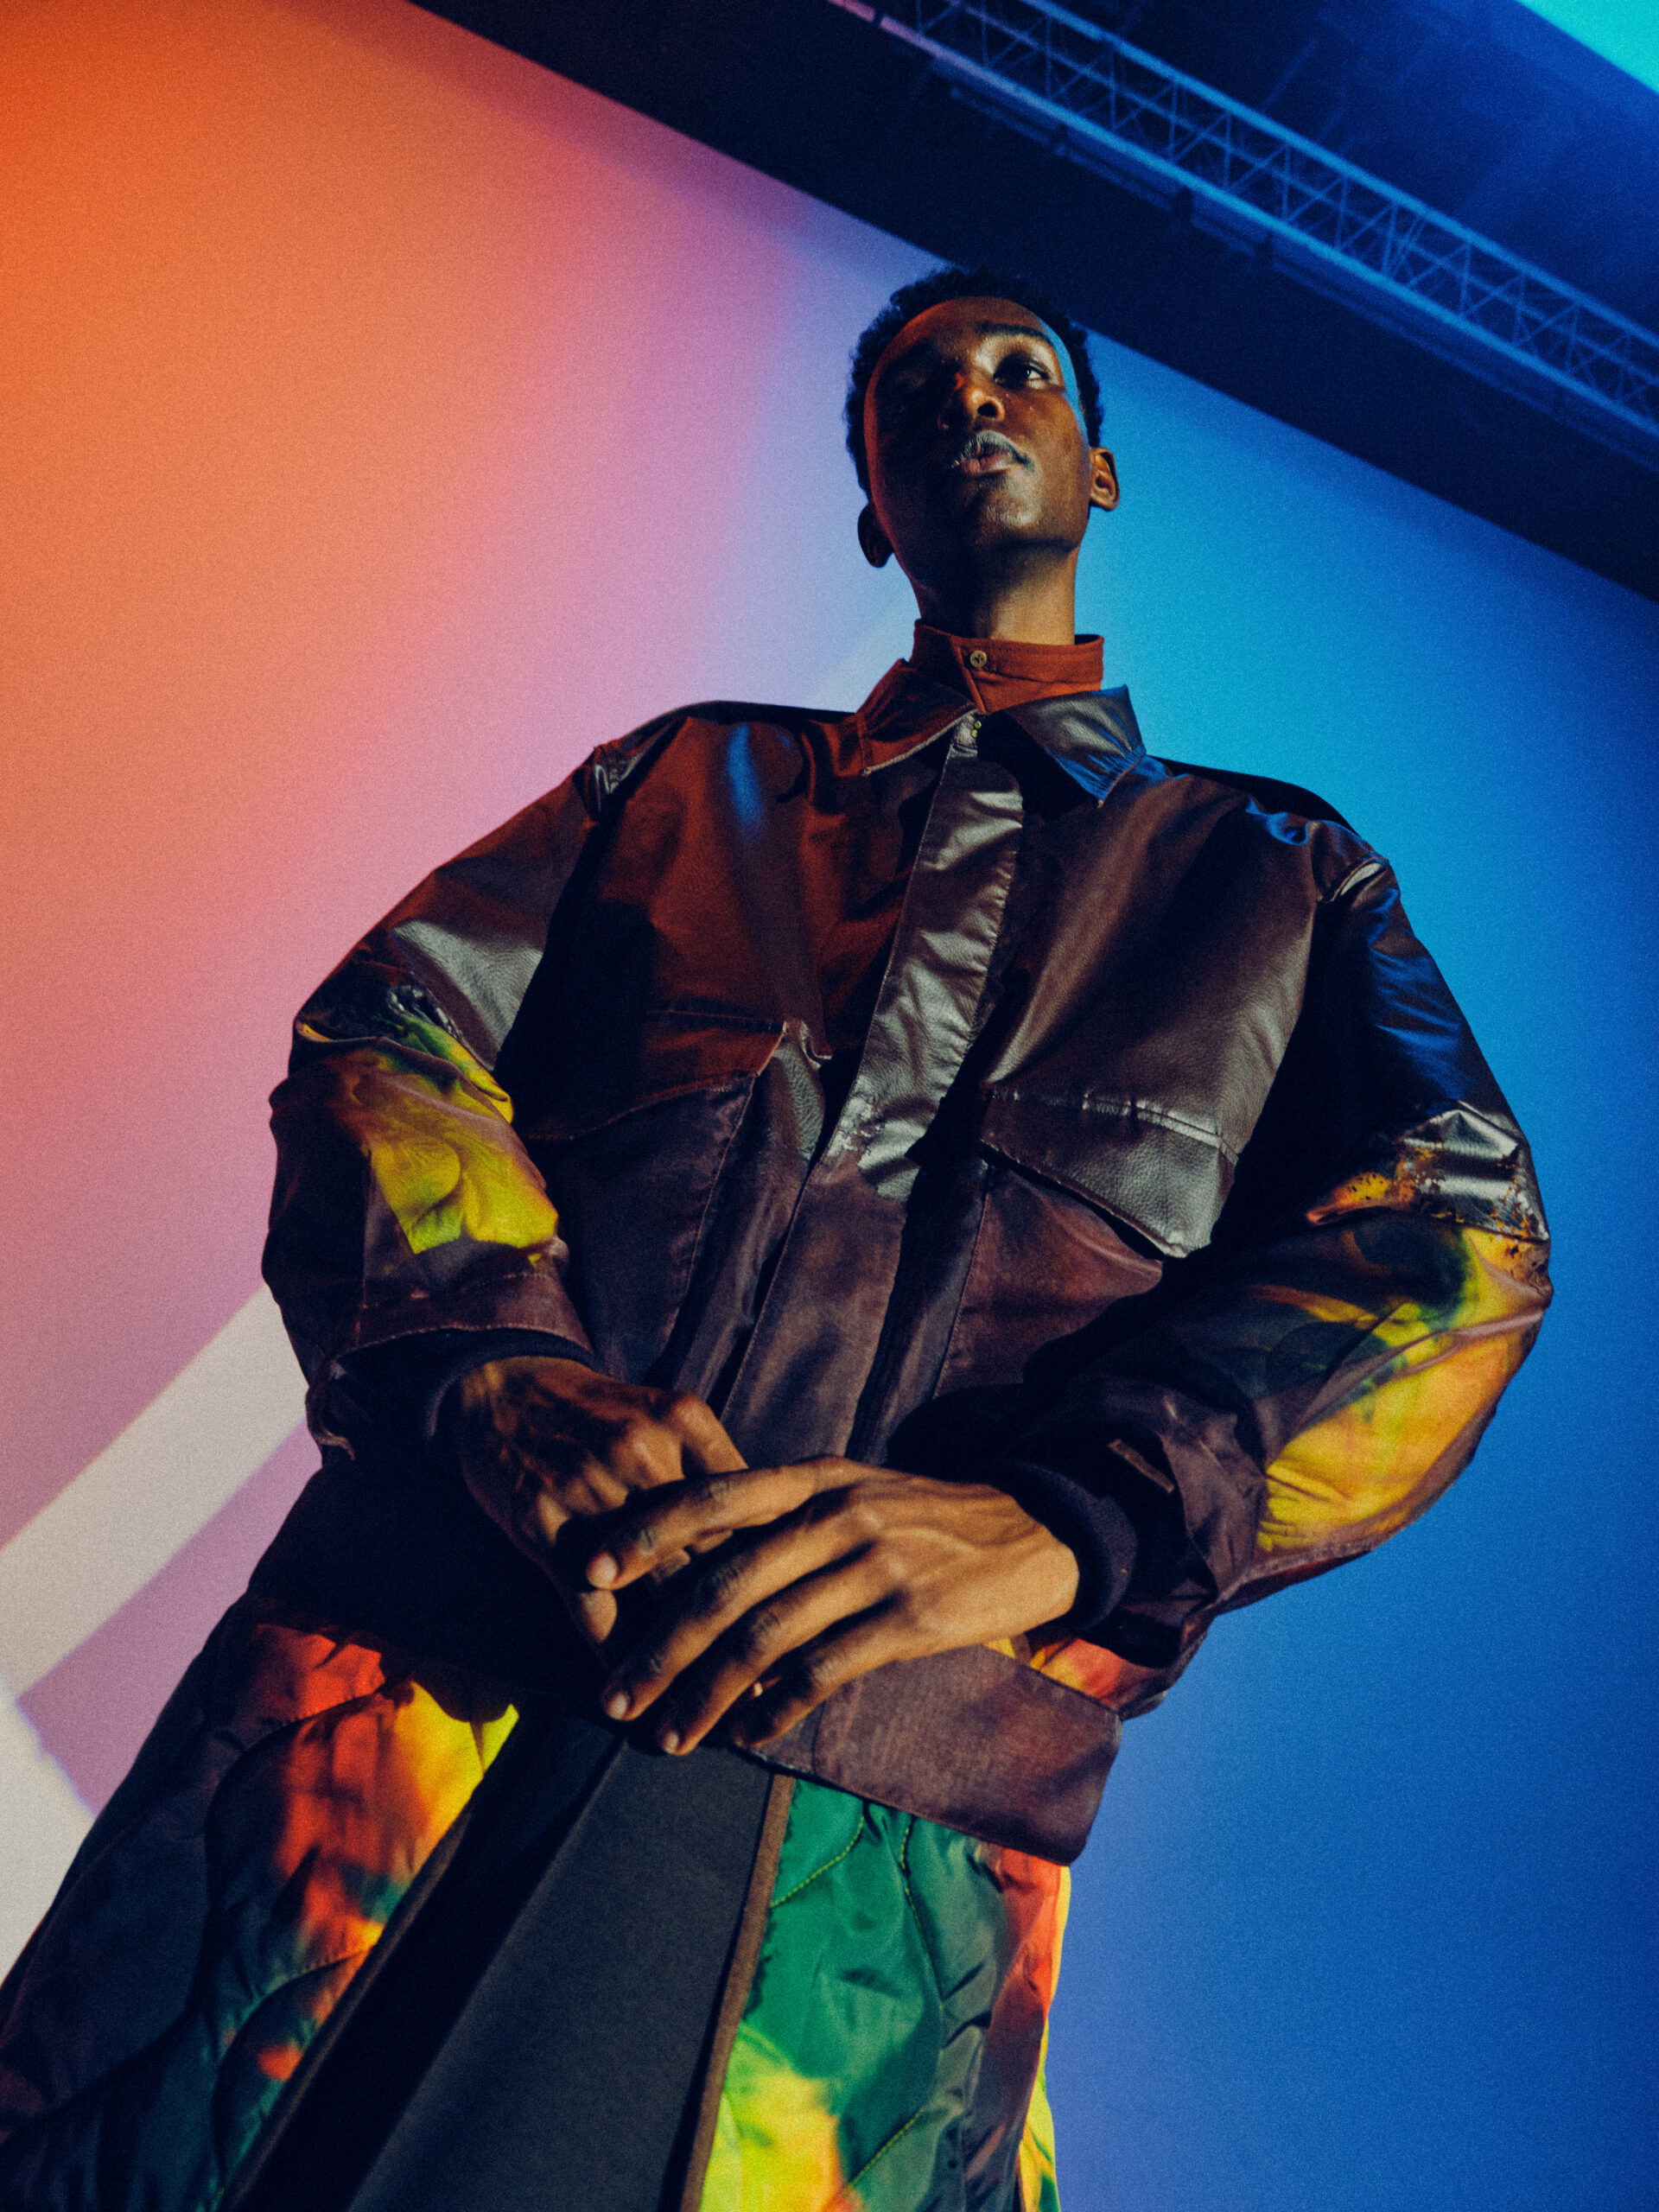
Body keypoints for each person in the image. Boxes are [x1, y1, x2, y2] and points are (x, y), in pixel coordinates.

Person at [0, 265, 1549, 2212]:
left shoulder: (1278, 879)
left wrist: (1072, 1522)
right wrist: (490, 1368)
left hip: (881, 1849)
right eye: (916, 388)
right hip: (411, 1697)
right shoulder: (684, 783)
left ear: (1101, 469)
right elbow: (391, 1037)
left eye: (1021, 372)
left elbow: (1457, 1235)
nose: (971, 399)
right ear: (869, 509)